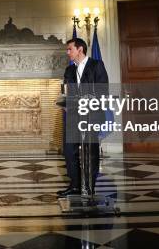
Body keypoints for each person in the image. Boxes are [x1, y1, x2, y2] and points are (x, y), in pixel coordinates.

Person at [57, 37, 109, 197]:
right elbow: (65, 93)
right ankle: (75, 185)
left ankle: (89, 186)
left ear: (80, 49)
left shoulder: (96, 65)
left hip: (91, 117)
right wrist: (64, 102)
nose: (67, 52)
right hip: (73, 118)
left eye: (69, 49)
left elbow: (103, 90)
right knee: (69, 151)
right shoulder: (69, 70)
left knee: (90, 152)